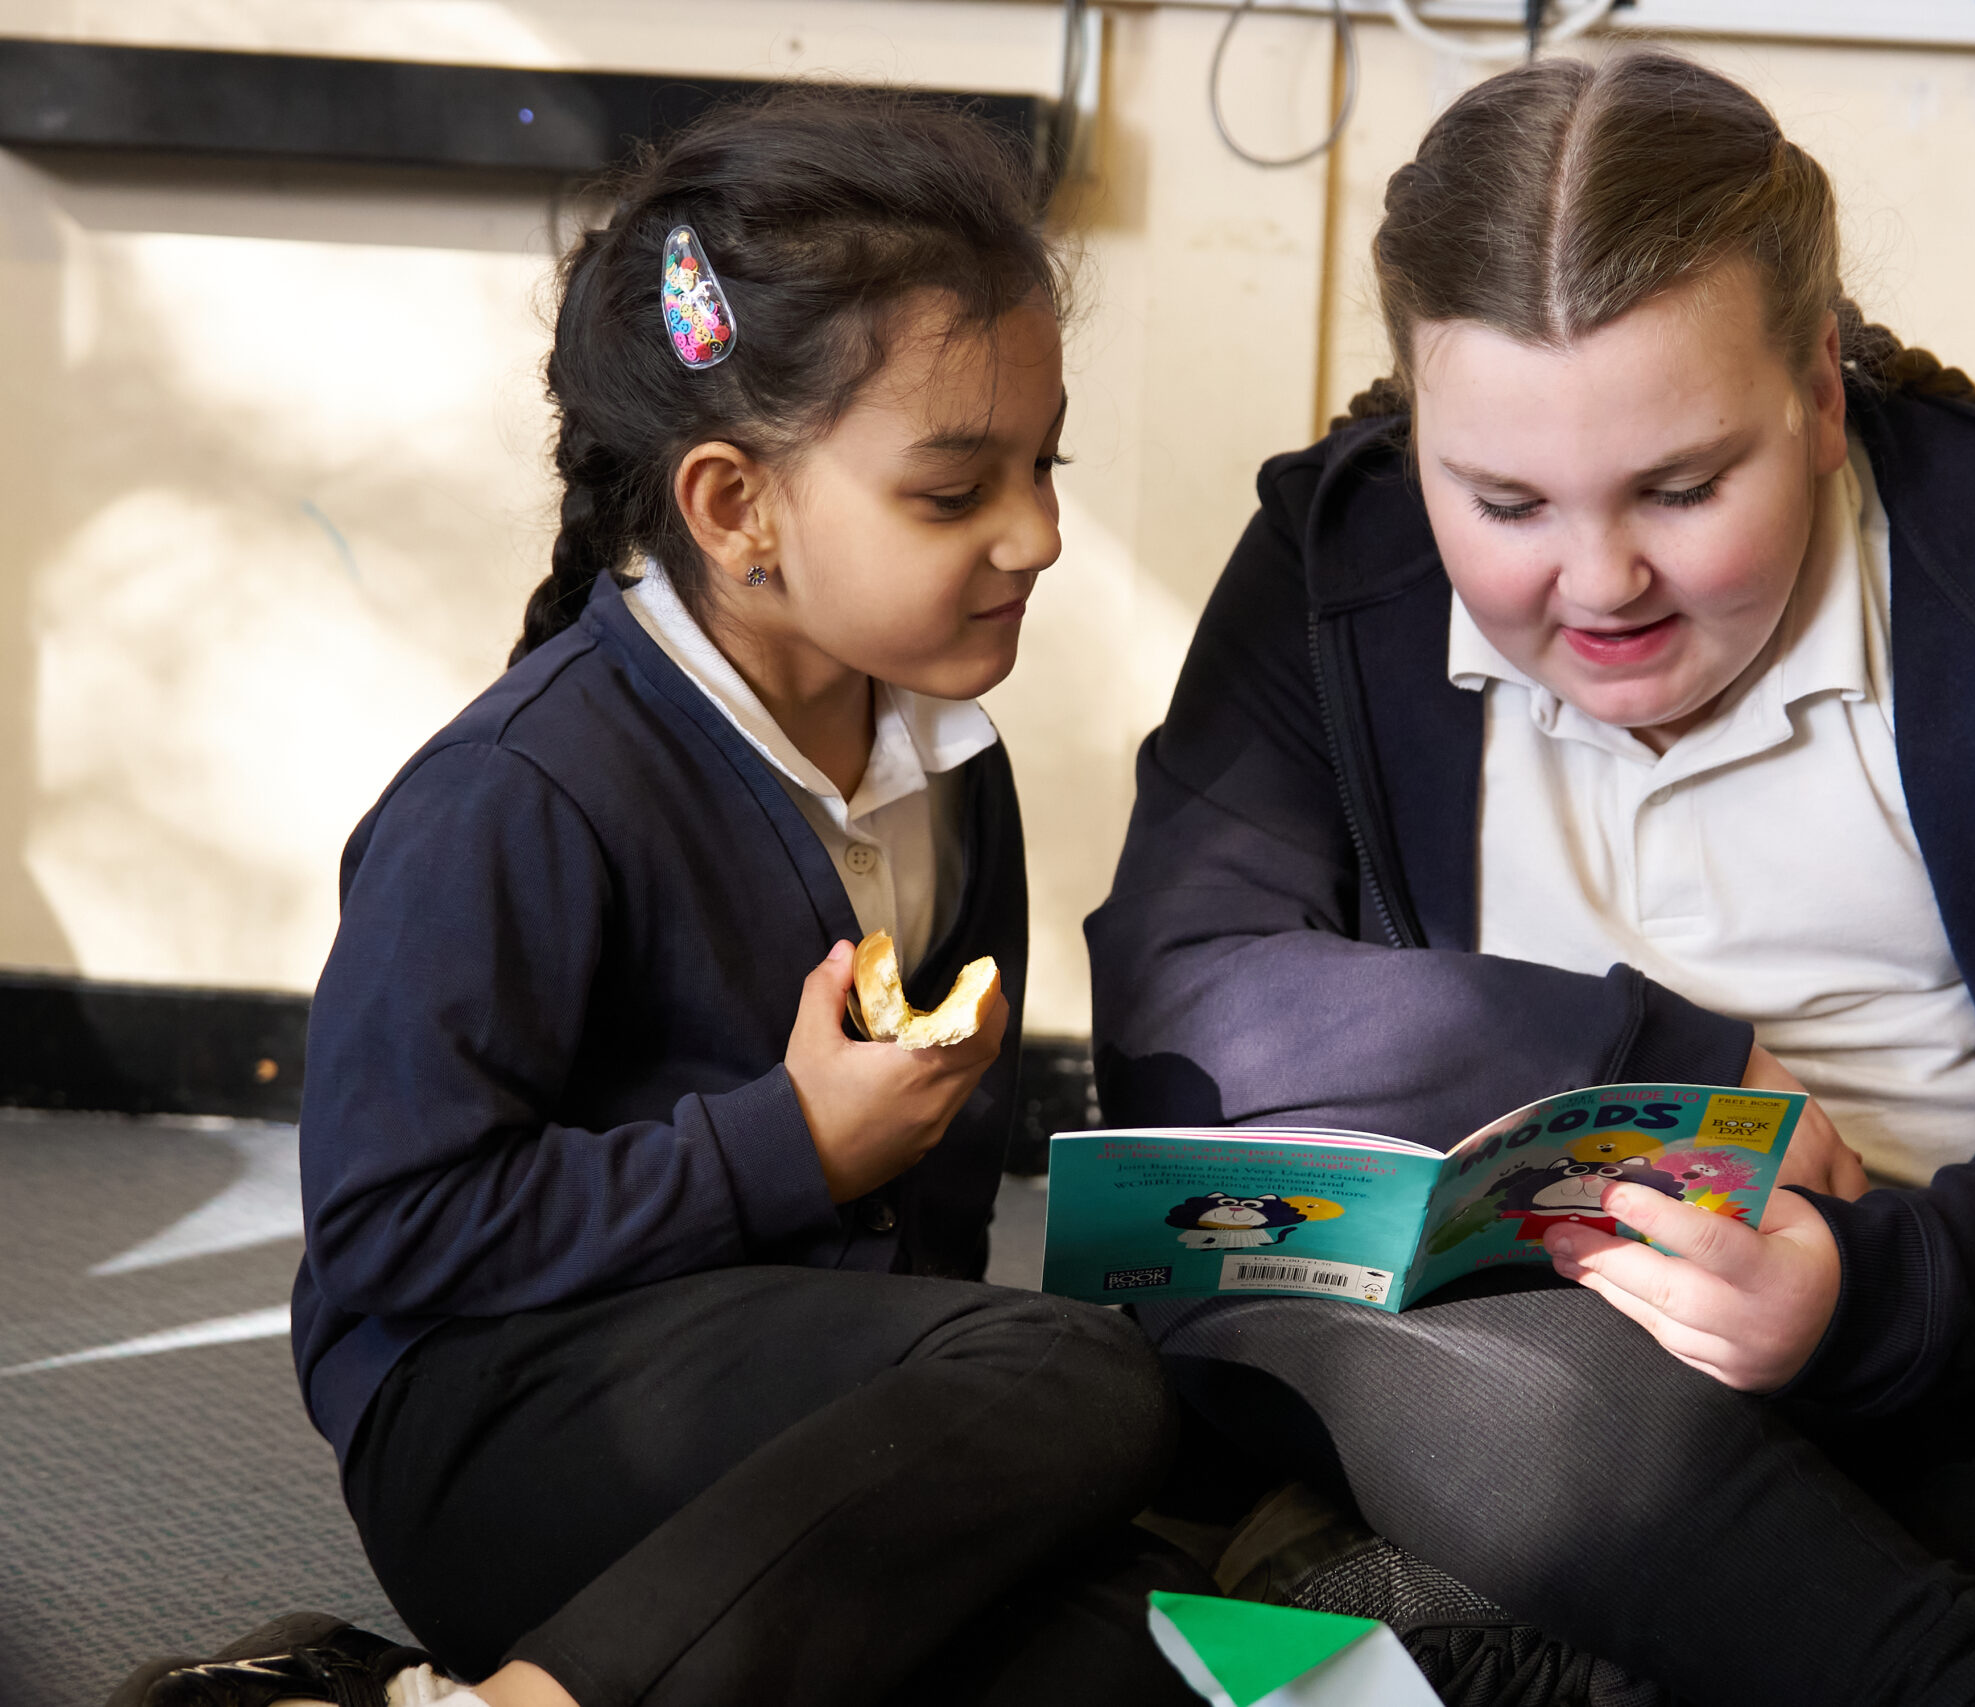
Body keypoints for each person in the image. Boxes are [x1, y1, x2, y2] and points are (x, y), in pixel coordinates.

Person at [1085, 51, 1975, 1707]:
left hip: (1970, 1299)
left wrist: (1870, 1296)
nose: (1600, 582)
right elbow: (1187, 996)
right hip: (1540, 1344)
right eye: (1503, 501)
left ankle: (1552, 1617)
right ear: (1425, 439)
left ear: (1820, 397)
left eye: (1686, 486)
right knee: (1476, 1388)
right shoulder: (1331, 564)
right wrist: (1690, 1075)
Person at [119, 90, 1203, 1707]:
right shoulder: (521, 791)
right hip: (499, 1423)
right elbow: (392, 1234)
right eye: (955, 489)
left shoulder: (959, 775)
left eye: (1043, 466)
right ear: (732, 507)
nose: (1038, 533)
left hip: (806, 1447)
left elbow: (942, 1235)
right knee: (1069, 1378)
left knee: (1164, 1633)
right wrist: (797, 1146)